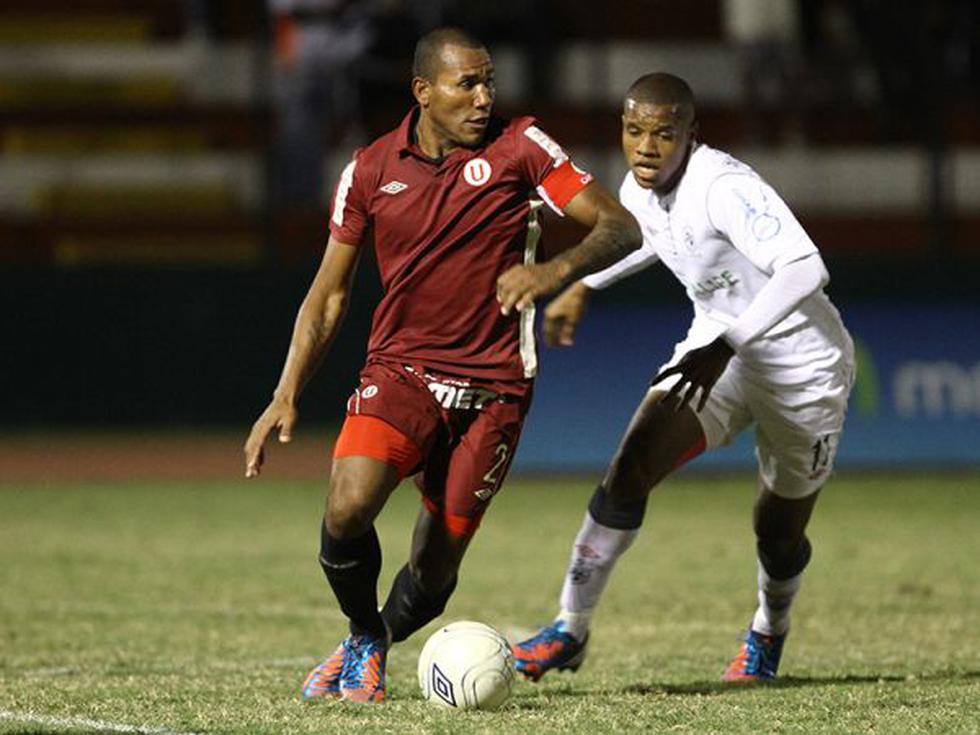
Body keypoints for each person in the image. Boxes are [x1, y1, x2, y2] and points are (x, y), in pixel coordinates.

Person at [243, 27, 641, 704]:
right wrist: (286, 391)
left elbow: (619, 224)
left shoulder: (521, 146)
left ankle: (369, 641)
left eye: (489, 81)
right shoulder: (369, 168)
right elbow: (330, 292)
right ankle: (365, 635)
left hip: (496, 390)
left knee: (432, 570)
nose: (485, 97)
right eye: (468, 83)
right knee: (346, 508)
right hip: (402, 372)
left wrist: (553, 270)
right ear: (423, 92)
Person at [512, 73, 854, 683]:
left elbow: (805, 267)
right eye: (635, 130)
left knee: (776, 533)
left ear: (691, 135)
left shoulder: (722, 185)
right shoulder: (639, 188)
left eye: (664, 134)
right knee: (630, 467)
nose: (646, 146)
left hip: (803, 368)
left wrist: (730, 342)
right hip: (718, 351)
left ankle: (768, 631)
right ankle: (569, 627)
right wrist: (586, 285)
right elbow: (648, 239)